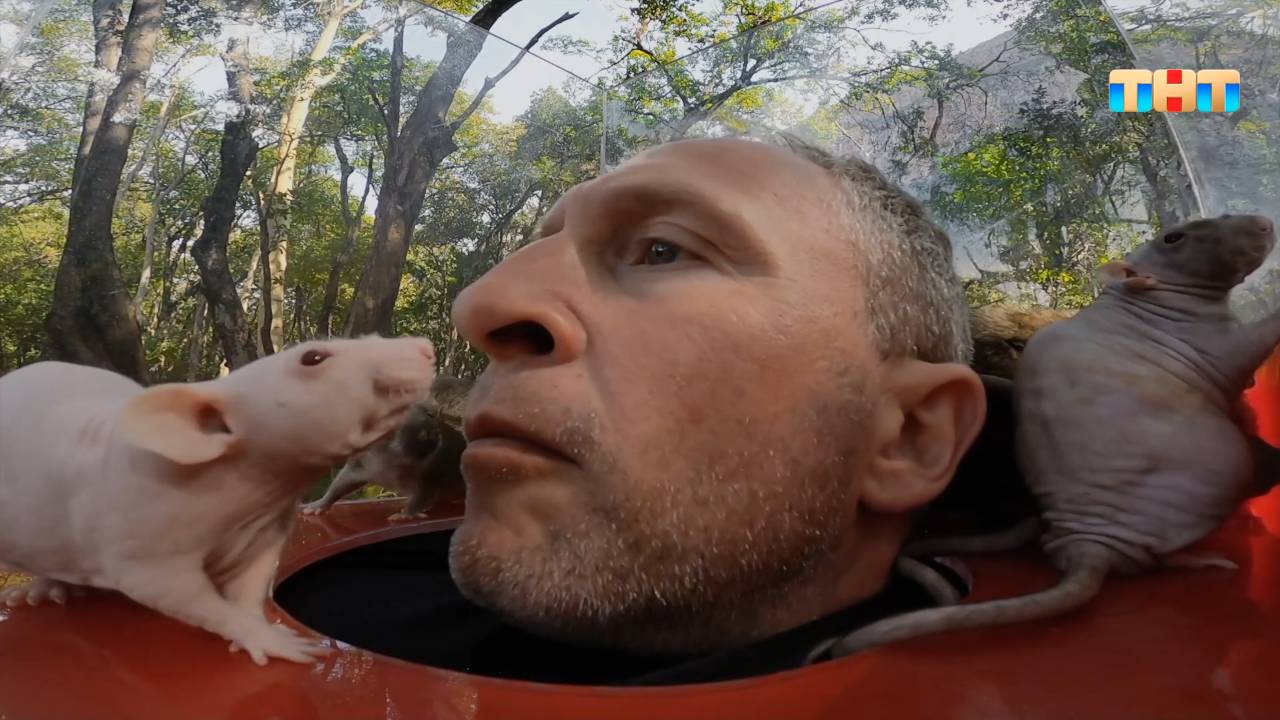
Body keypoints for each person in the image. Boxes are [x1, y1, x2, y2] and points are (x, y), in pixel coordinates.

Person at [276, 133, 989, 685]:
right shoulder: (313, 581)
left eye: (662, 251)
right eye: (535, 251)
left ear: (909, 435)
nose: (482, 302)